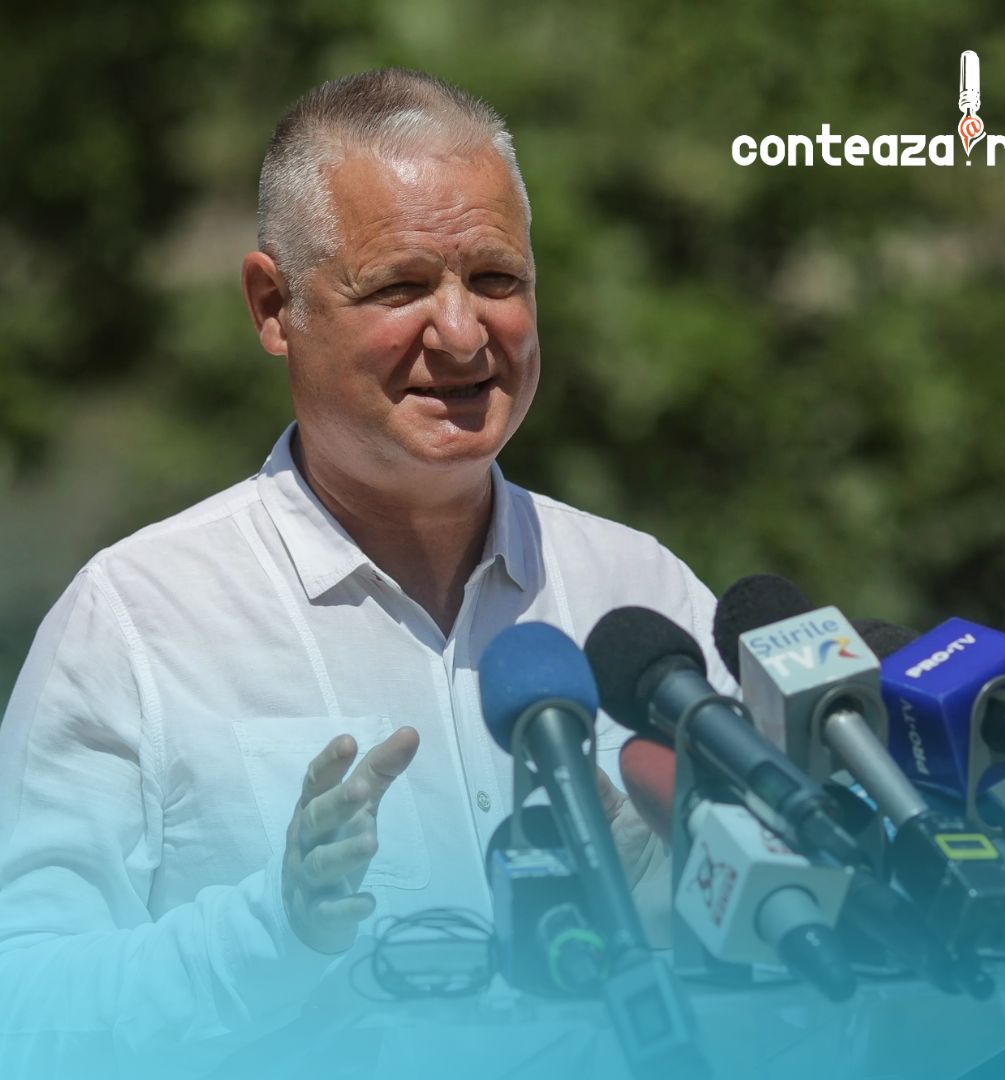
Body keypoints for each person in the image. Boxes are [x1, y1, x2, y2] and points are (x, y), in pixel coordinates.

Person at [0, 69, 734, 1077]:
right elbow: (26, 1008)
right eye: (400, 287)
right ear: (274, 307)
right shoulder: (137, 620)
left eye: (497, 279)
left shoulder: (639, 594)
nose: (464, 333)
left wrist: (691, 894)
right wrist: (273, 929)